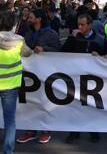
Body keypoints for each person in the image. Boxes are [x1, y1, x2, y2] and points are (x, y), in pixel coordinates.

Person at [17, 9, 61, 145]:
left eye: (31, 17)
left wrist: (45, 50)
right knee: (30, 103)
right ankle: (31, 130)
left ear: (39, 19)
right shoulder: (28, 33)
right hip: (30, 75)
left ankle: (45, 131)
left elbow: (59, 50)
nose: (28, 19)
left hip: (45, 74)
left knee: (44, 102)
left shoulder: (51, 34)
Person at [62, 14, 104, 144]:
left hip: (92, 79)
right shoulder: (74, 37)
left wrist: (100, 55)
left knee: (91, 106)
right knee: (75, 105)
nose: (79, 27)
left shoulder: (99, 39)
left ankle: (93, 131)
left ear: (89, 25)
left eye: (82, 25)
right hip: (75, 77)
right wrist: (71, 38)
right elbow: (63, 53)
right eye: (78, 24)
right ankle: (74, 132)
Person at [0, 10, 33, 154]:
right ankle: (8, 150)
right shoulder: (19, 40)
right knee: (9, 121)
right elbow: (28, 52)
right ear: (13, 24)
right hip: (11, 85)